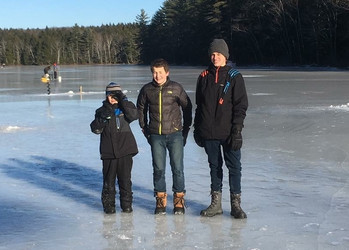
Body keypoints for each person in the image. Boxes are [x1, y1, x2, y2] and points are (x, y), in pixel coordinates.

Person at [193, 38, 248, 219]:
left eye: (218, 54)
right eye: (212, 54)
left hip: (229, 132)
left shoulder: (235, 77)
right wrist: (197, 129)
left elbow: (240, 106)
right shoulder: (203, 77)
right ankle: (216, 204)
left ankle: (235, 205)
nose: (215, 57)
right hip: (209, 132)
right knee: (214, 167)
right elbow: (199, 106)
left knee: (234, 168)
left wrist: (237, 131)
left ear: (225, 55)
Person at [137, 58, 192, 215]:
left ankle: (179, 201)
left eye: (160, 72)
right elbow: (140, 108)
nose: (157, 75)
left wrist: (185, 129)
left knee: (178, 168)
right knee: (159, 169)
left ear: (167, 73)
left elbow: (187, 107)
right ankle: (160, 200)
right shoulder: (147, 90)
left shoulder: (175, 88)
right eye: (154, 72)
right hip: (156, 135)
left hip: (175, 134)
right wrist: (144, 127)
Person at [90, 82, 138, 214]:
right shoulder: (101, 110)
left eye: (115, 96)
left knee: (125, 180)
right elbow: (95, 129)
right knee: (108, 182)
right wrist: (102, 118)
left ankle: (127, 206)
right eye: (109, 96)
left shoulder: (126, 108)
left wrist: (122, 101)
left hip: (125, 149)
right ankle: (109, 207)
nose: (112, 98)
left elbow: (134, 115)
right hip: (108, 151)